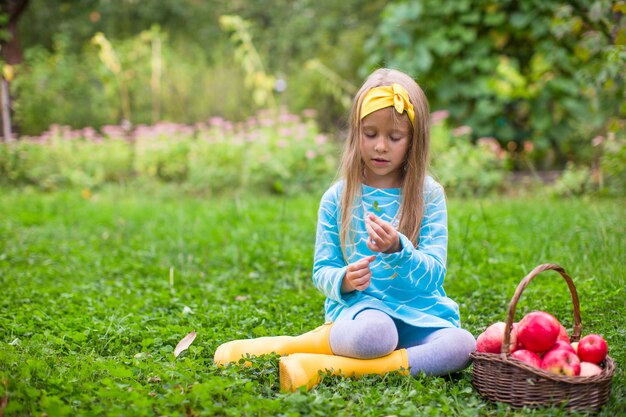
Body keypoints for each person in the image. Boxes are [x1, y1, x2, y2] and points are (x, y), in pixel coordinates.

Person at [213, 68, 476, 391]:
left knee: (462, 345)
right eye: (370, 134)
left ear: (413, 141)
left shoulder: (429, 195)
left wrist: (398, 250)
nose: (381, 146)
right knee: (377, 335)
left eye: (394, 137)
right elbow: (323, 269)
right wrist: (345, 280)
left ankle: (324, 367)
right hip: (361, 313)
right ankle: (295, 345)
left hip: (421, 315)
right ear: (356, 133)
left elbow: (434, 274)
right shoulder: (338, 198)